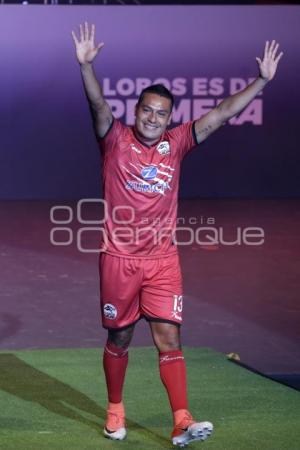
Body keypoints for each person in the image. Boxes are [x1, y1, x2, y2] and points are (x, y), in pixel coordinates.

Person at [71, 22, 282, 447]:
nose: (152, 118)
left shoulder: (179, 141)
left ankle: (181, 420)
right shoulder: (114, 139)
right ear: (136, 112)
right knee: (120, 336)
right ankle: (116, 409)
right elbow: (97, 105)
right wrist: (86, 68)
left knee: (170, 337)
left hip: (163, 260)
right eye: (146, 110)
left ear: (170, 117)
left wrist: (261, 80)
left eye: (161, 113)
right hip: (119, 259)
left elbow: (222, 112)